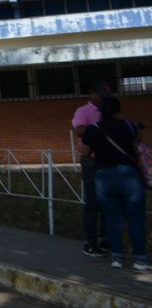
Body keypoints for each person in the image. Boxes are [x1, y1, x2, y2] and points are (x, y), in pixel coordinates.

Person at [81, 96, 151, 270]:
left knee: (112, 219)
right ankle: (141, 259)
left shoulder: (94, 129)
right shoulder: (128, 125)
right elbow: (137, 142)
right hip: (129, 175)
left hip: (104, 177)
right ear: (119, 110)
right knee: (136, 218)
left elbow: (84, 152)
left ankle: (117, 258)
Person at [73, 83, 110, 257]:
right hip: (91, 161)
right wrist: (98, 128)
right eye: (101, 94)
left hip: (107, 160)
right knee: (93, 202)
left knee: (107, 201)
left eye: (107, 94)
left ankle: (105, 238)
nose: (104, 98)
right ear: (92, 93)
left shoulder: (109, 110)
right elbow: (79, 130)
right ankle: (90, 241)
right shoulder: (83, 112)